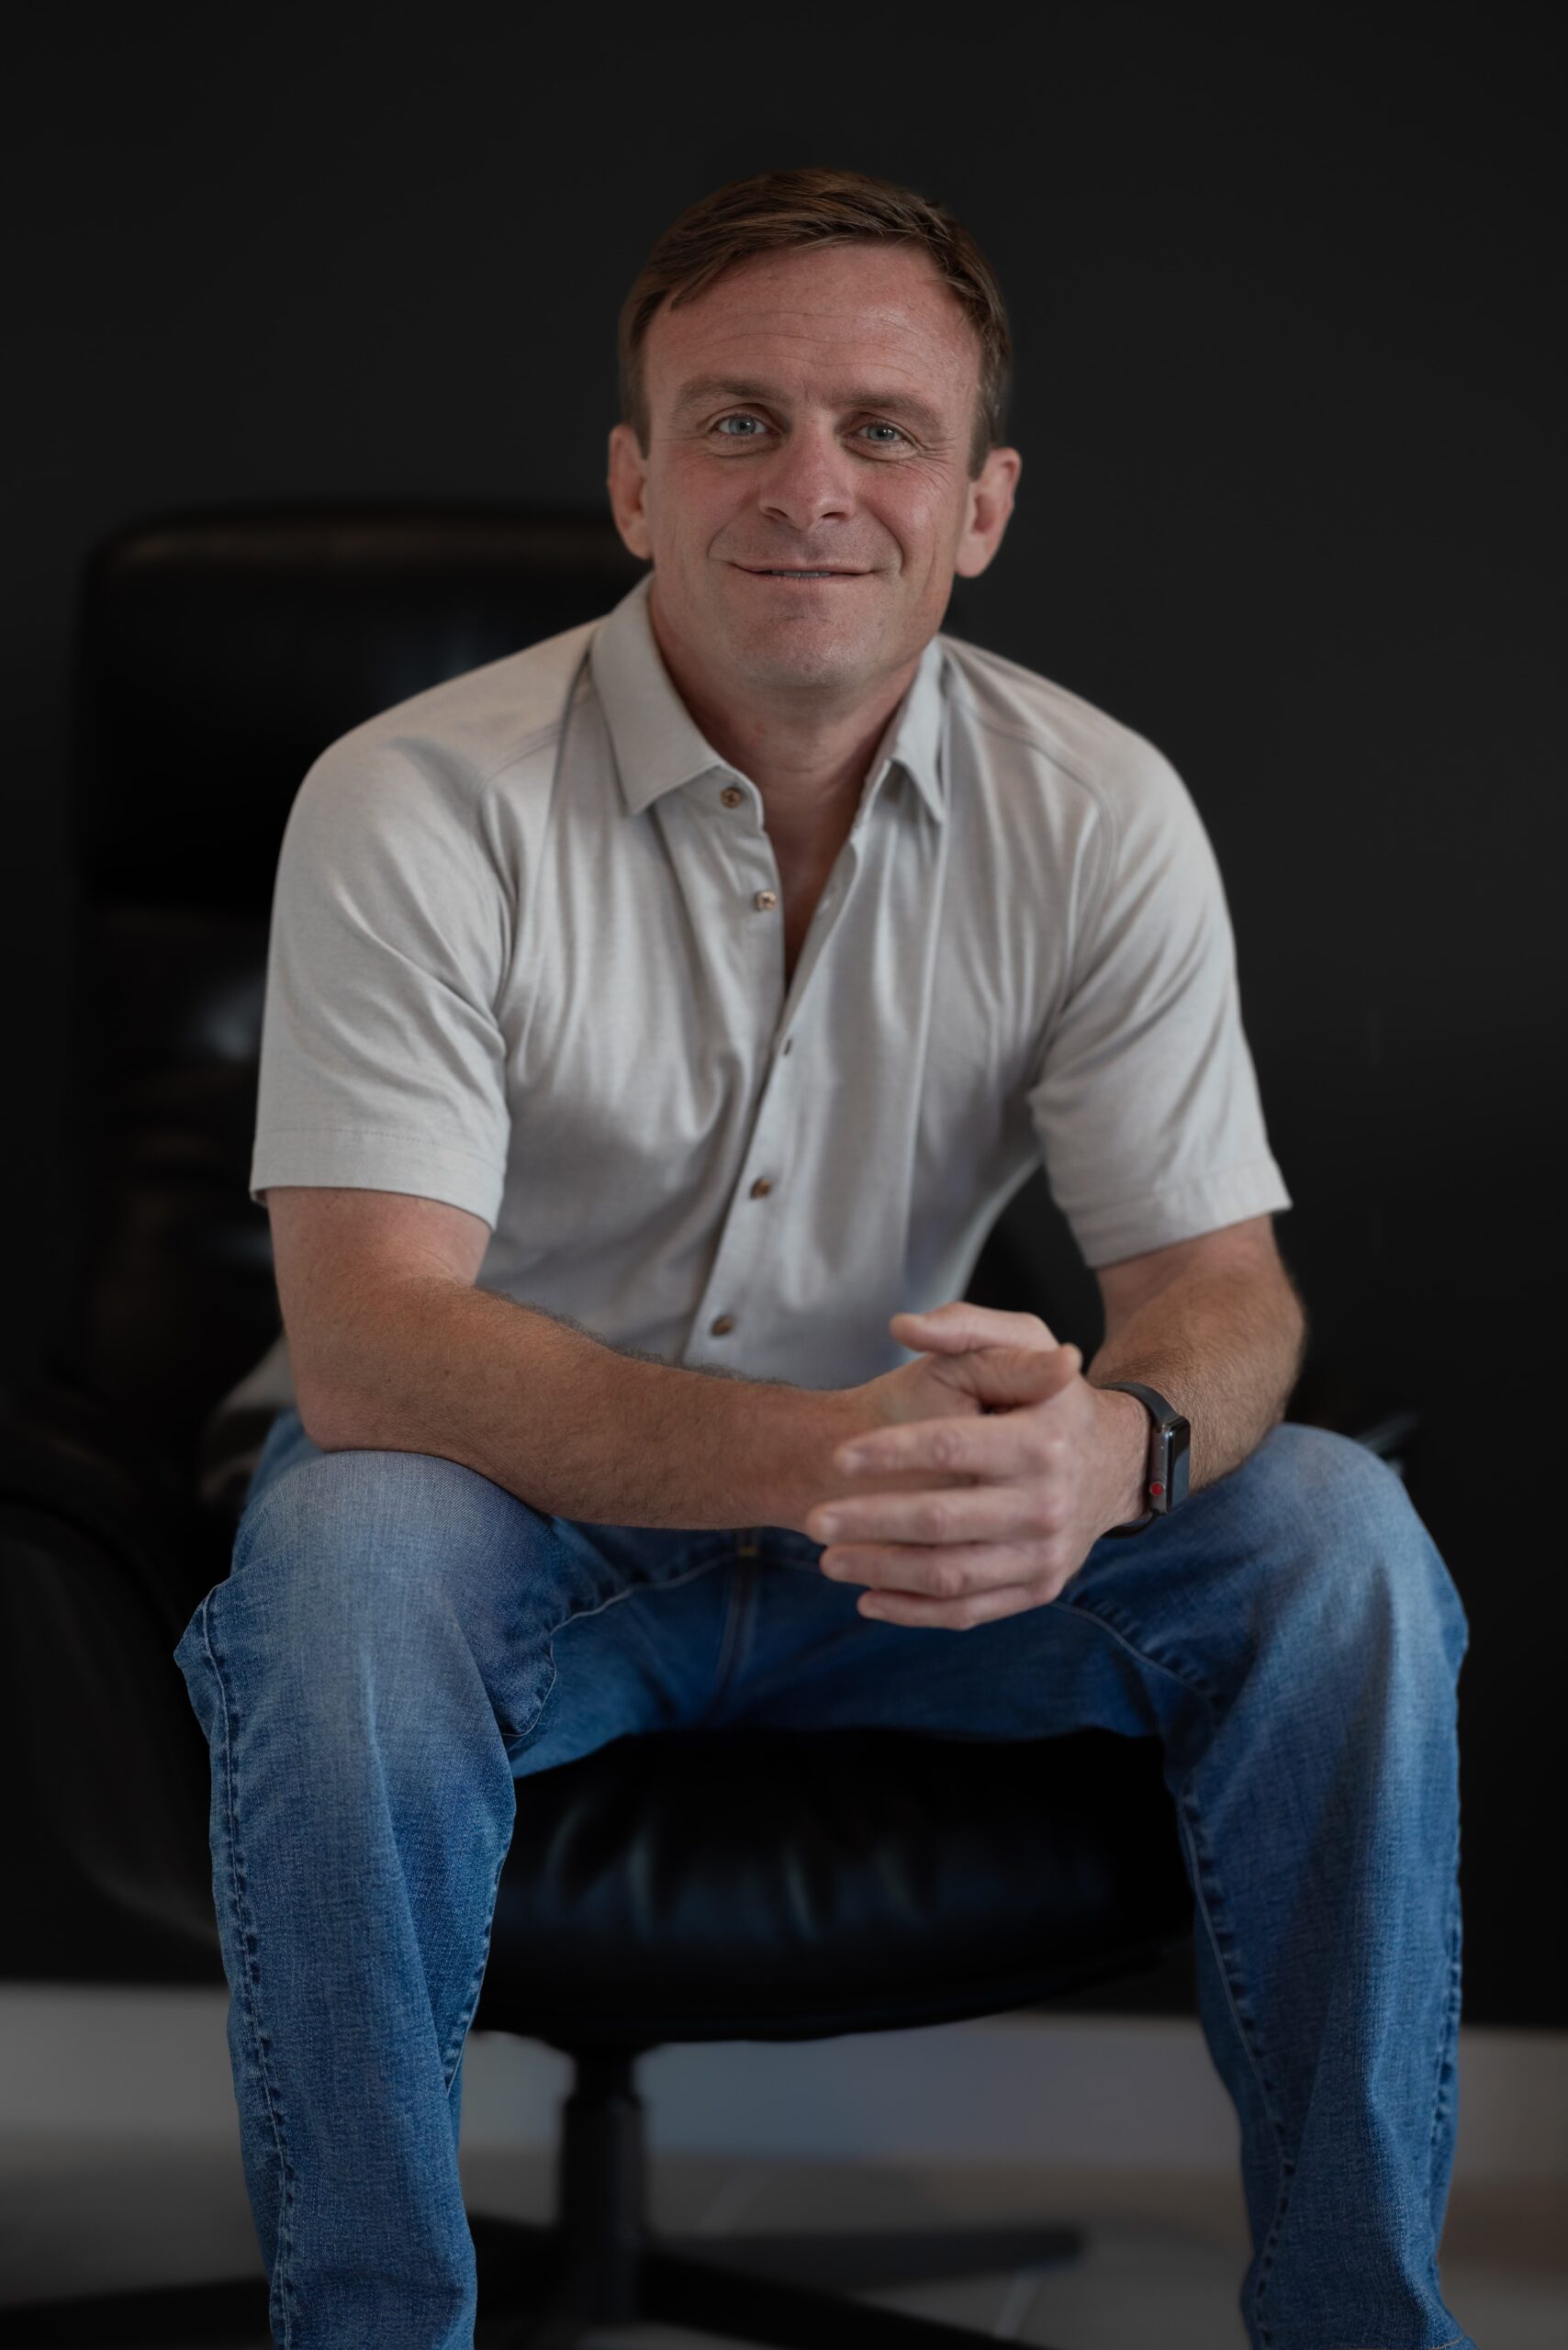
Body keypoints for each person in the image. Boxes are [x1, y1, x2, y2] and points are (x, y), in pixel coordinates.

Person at [175, 165, 1473, 2350]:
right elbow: (374, 1349)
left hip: (897, 1553)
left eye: (881, 429)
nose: (808, 484)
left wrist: (1116, 1449)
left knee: (1336, 1532)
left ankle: (1358, 2326)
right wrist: (835, 1456)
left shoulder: (1097, 809)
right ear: (630, 478)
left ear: (978, 506)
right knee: (348, 1555)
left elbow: (1220, 1291)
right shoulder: (413, 798)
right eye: (735, 419)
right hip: (507, 1521)